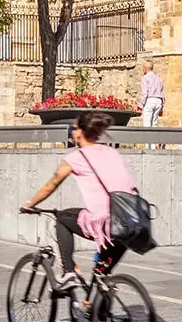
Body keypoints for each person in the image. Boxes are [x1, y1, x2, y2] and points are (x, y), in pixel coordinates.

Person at [21, 111, 138, 292]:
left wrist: (30, 204)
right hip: (130, 223)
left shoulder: (76, 157)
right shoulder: (111, 151)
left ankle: (68, 272)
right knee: (102, 276)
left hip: (104, 222)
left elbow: (50, 185)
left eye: (73, 128)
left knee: (62, 219)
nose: (71, 132)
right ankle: (99, 317)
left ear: (80, 132)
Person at [138, 60, 164, 129]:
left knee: (147, 124)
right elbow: (162, 93)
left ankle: (147, 139)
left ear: (145, 68)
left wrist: (141, 105)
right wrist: (162, 107)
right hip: (158, 101)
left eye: (143, 68)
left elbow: (145, 93)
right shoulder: (159, 79)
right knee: (154, 124)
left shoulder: (145, 78)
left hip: (150, 100)